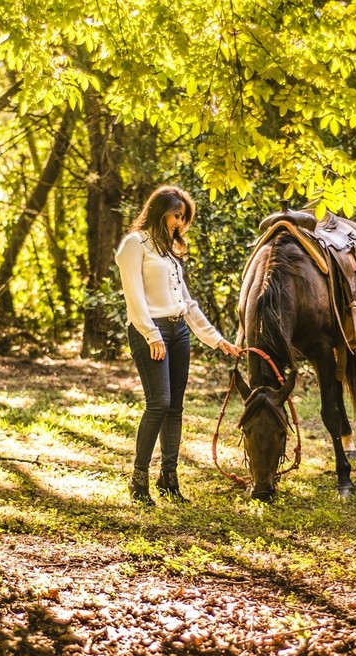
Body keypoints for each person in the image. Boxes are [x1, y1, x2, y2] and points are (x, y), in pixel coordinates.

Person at [115, 185, 242, 504]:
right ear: (160, 212)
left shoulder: (168, 252)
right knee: (158, 404)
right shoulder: (134, 244)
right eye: (176, 215)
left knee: (175, 408)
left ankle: (168, 479)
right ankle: (138, 480)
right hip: (150, 331)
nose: (180, 223)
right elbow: (134, 296)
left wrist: (216, 339)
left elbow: (187, 302)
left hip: (179, 331)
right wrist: (151, 334)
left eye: (184, 217)